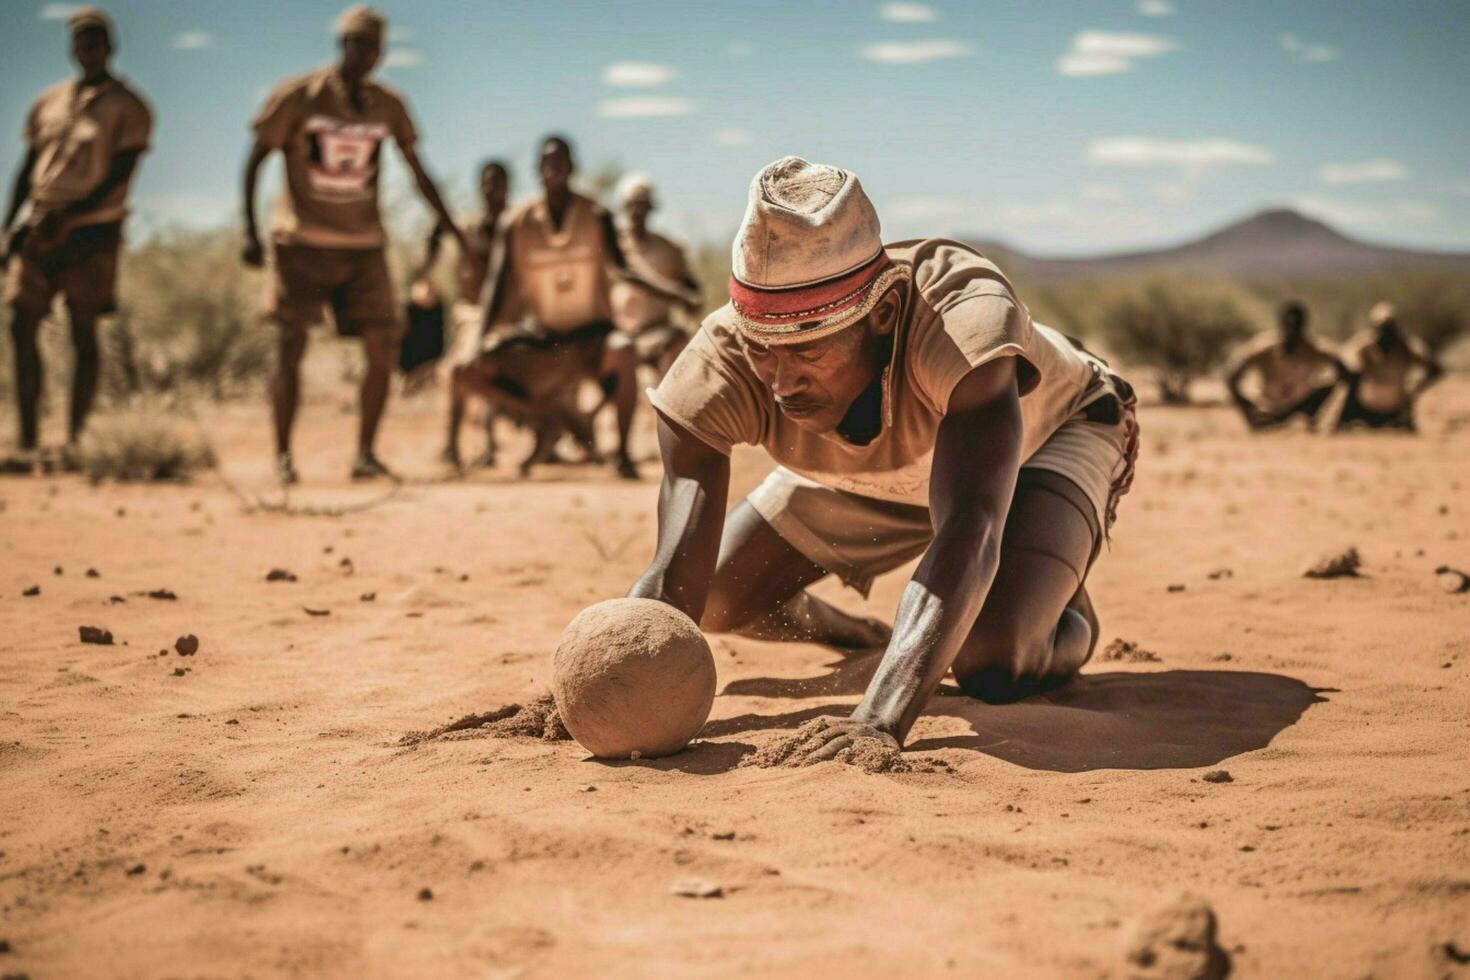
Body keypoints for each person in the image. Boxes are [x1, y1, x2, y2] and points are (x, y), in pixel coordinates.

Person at [627, 157, 1139, 763]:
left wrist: (879, 718)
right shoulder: (721, 364)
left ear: (885, 315)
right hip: (884, 471)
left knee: (991, 660)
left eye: (809, 351)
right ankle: (867, 635)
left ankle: (1059, 611)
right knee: (717, 595)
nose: (782, 382)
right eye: (763, 351)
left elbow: (972, 525)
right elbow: (674, 578)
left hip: (1040, 443)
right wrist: (624, 674)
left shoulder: (961, 315)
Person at [240, 4, 466, 485]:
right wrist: (248, 229)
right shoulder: (299, 97)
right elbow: (256, 158)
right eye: (356, 45)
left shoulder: (387, 104)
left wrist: (451, 226)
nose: (365, 55)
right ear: (342, 46)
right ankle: (282, 457)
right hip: (300, 240)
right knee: (290, 344)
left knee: (383, 344)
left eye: (373, 48)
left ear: (382, 53)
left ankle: (365, 453)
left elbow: (417, 168)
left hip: (363, 244)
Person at [477, 135, 697, 479]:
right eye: (547, 164)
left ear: (572, 168)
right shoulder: (516, 224)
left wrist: (675, 295)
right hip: (543, 340)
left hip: (592, 338)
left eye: (560, 163)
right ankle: (551, 418)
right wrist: (483, 335)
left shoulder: (596, 215)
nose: (553, 171)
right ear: (538, 170)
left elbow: (624, 270)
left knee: (623, 350)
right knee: (470, 369)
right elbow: (496, 284)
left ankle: (622, 454)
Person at [1, 6, 151, 465]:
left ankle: (76, 440)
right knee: (20, 322)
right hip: (39, 225)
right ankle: (27, 439)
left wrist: (71, 216)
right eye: (80, 43)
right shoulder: (49, 102)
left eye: (95, 42)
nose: (87, 51)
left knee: (82, 329)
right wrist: (10, 227)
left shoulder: (129, 106)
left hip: (92, 230)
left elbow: (121, 173)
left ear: (110, 47)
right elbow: (28, 169)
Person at [422, 159, 511, 467]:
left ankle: (486, 443)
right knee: (463, 366)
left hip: (507, 315)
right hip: (471, 313)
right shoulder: (469, 228)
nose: (492, 190)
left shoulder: (515, 226)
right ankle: (452, 445)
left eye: (498, 183)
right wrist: (426, 270)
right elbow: (437, 228)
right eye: (487, 183)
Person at [610, 173, 703, 377]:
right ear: (624, 207)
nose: (637, 211)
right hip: (623, 336)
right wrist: (674, 293)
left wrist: (686, 297)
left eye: (642, 204)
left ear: (651, 207)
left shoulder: (670, 248)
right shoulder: (614, 249)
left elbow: (693, 295)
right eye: (632, 204)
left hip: (661, 335)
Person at [1225, 301, 1345, 431]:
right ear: (1281, 325)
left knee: (1326, 386)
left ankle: (1310, 420)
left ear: (1303, 326)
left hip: (1299, 407)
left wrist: (1337, 414)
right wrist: (1249, 408)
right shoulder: (1263, 347)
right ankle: (1261, 421)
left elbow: (1345, 369)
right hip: (1268, 407)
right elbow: (1231, 375)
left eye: (1296, 326)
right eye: (1289, 325)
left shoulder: (1313, 348)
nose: (1292, 331)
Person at [1336, 302, 1443, 431]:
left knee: (1352, 378)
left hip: (1387, 408)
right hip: (1383, 407)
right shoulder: (1407, 346)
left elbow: (1345, 363)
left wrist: (1415, 388)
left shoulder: (1404, 346)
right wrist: (1416, 388)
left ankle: (1343, 422)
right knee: (1353, 378)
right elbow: (1434, 367)